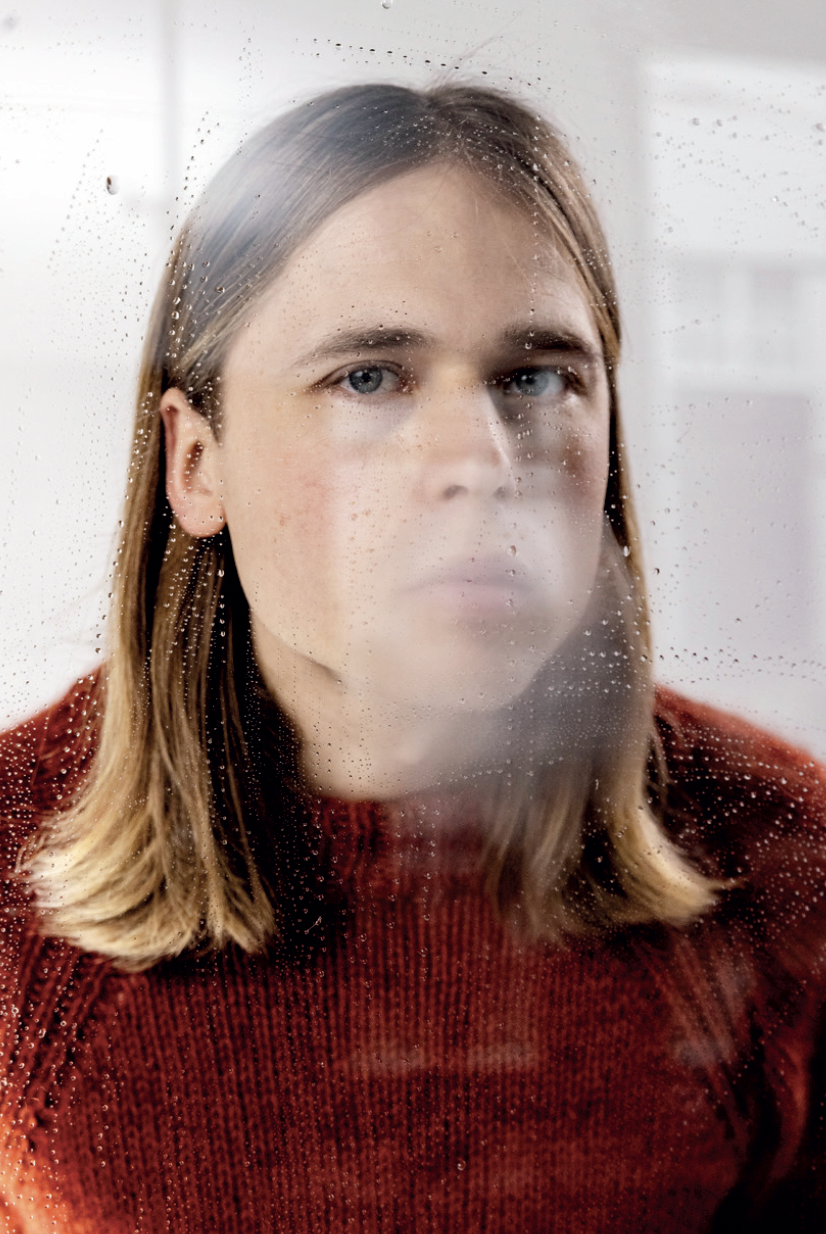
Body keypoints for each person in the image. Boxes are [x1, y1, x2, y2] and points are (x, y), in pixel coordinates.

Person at [0, 81, 824, 1232]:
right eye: (368, 377)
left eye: (534, 376)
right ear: (196, 463)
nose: (480, 460)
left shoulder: (790, 863)